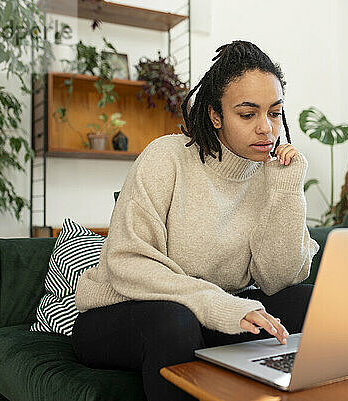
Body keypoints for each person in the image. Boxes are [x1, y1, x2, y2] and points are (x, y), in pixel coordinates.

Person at [72, 40, 320, 401]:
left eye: (275, 112)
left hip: (212, 315)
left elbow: (278, 279)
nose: (266, 128)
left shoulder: (272, 174)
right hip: (122, 314)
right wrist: (217, 304)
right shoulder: (166, 156)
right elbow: (127, 263)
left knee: (309, 304)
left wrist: (284, 188)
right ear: (215, 115)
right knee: (175, 322)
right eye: (248, 114)